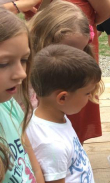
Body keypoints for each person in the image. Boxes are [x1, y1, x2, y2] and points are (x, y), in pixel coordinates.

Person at [11, 0, 110, 143]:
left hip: (68, 36)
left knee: (73, 110)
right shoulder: (22, 76)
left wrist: (80, 29)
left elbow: (106, 11)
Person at [27, 44, 102, 183]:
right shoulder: (52, 146)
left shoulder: (55, 116)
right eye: (87, 93)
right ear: (62, 98)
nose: (90, 97)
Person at [28, 0, 99, 143]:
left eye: (80, 51)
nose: (74, 59)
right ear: (45, 41)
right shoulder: (22, 73)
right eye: (66, 51)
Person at [0, 8, 44, 183]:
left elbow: (34, 166)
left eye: (24, 60)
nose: (22, 74)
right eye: (3, 63)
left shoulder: (9, 105)